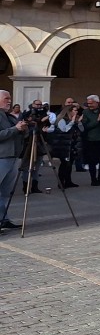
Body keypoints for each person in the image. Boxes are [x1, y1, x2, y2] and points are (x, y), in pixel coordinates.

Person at [0, 90, 30, 232]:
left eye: (10, 98)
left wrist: (23, 129)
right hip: (2, 157)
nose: (9, 101)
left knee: (6, 191)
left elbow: (20, 134)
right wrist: (15, 129)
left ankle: (3, 219)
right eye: (6, 98)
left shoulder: (9, 116)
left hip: (13, 157)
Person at [53, 102, 83, 188]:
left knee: (69, 164)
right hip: (63, 144)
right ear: (69, 111)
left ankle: (68, 181)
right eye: (74, 110)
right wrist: (72, 122)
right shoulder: (62, 120)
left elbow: (82, 130)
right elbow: (64, 130)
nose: (76, 112)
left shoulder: (74, 120)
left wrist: (79, 122)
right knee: (64, 164)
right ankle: (61, 182)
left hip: (72, 144)